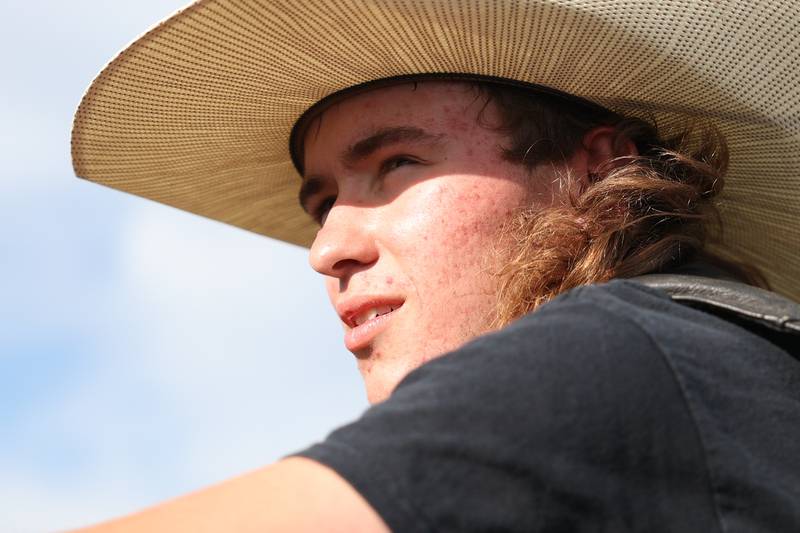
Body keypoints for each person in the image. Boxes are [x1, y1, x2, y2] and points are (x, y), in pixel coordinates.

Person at [71, 0, 800, 531]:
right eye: (321, 202)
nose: (328, 249)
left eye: (395, 164)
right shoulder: (724, 369)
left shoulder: (621, 356)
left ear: (594, 173)